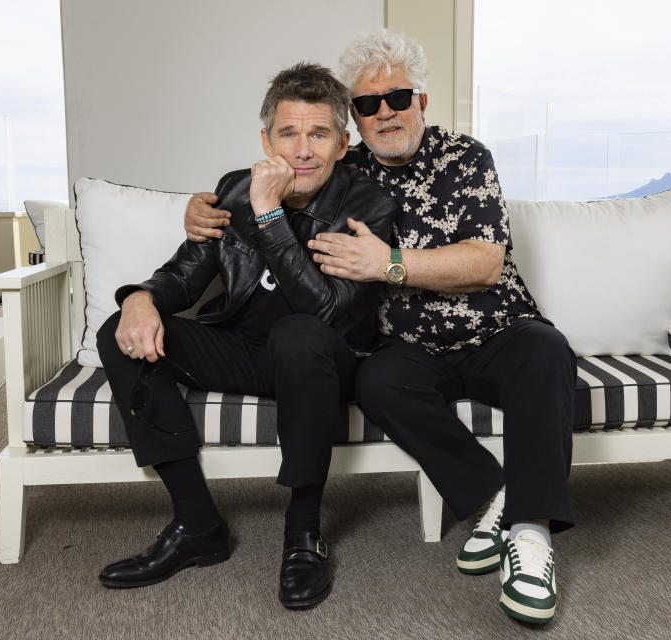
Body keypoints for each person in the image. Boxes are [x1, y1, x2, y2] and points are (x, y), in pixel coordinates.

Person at [184, 31, 576, 625]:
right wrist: (203, 208)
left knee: (547, 352)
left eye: (397, 97)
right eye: (367, 105)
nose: (384, 112)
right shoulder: (339, 165)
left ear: (422, 101)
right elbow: (262, 188)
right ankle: (494, 495)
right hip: (403, 345)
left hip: (494, 329)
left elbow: (485, 263)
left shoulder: (466, 157)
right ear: (353, 124)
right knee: (375, 384)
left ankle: (529, 535)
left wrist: (389, 264)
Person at [97, 62, 398, 609]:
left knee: (297, 335)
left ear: (342, 143)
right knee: (118, 329)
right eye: (288, 133)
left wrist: (267, 214)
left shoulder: (367, 205)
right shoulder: (234, 190)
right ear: (266, 139)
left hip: (325, 361)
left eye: (318, 134)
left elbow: (327, 312)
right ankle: (196, 526)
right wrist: (139, 297)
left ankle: (304, 534)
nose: (302, 151)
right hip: (242, 352)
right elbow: (185, 275)